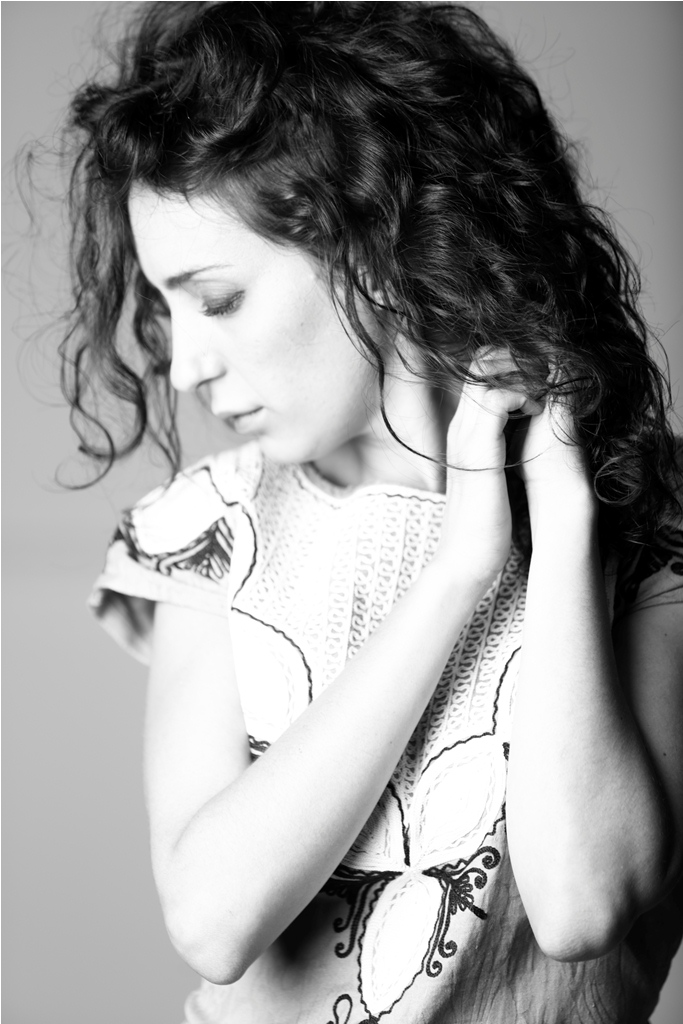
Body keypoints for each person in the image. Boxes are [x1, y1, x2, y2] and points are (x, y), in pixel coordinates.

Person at [58, 2, 682, 1021]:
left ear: (374, 248)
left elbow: (585, 905)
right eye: (166, 308)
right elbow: (212, 920)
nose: (183, 365)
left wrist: (564, 523)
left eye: (216, 299)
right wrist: (456, 572)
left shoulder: (643, 515)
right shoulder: (209, 530)